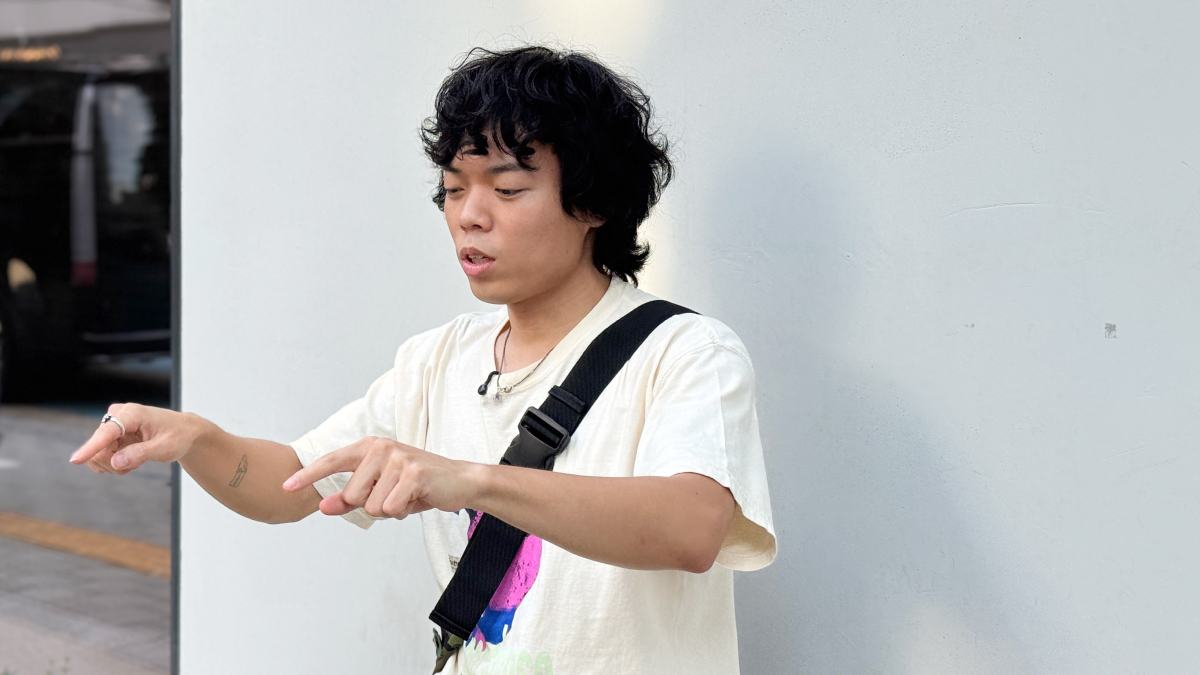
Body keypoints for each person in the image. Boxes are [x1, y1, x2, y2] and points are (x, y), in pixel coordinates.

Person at [70, 45, 776, 674]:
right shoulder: (438, 361)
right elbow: (289, 483)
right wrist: (195, 439)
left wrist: (468, 479)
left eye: (506, 188)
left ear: (592, 203)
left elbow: (692, 527)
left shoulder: (684, 351)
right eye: (454, 186)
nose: (469, 214)